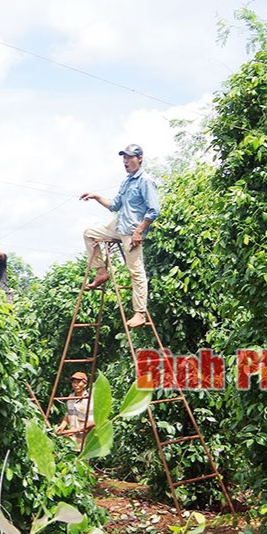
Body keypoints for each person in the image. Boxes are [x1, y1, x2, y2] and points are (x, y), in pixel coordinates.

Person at [80, 143, 160, 328]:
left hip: (132, 230)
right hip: (118, 225)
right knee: (89, 233)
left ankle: (140, 313)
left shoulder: (145, 181)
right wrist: (96, 196)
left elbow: (154, 210)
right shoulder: (126, 181)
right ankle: (101, 272)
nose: (125, 161)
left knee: (136, 271)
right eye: (124, 157)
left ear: (140, 159)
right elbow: (114, 205)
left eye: (129, 157)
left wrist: (139, 231)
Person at [54, 372, 94, 444]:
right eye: (74, 382)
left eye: (78, 382)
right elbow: (68, 414)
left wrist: (76, 430)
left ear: (85, 384)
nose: (76, 385)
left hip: (85, 440)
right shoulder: (71, 397)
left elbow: (93, 421)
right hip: (73, 440)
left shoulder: (89, 399)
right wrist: (62, 426)